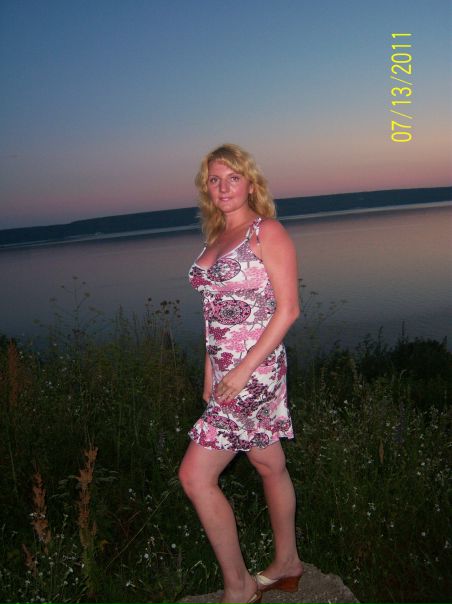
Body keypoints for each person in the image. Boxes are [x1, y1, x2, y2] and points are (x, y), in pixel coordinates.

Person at [178, 144, 303, 604]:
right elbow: (213, 316)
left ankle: (240, 587)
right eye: (215, 179)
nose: (224, 187)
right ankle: (287, 562)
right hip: (227, 372)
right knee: (269, 463)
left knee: (195, 477)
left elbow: (288, 310)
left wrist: (241, 371)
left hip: (256, 371)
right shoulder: (216, 238)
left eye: (233, 177)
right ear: (206, 188)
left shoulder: (265, 231)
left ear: (251, 183)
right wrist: (209, 371)